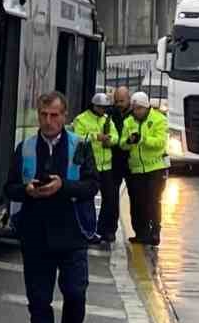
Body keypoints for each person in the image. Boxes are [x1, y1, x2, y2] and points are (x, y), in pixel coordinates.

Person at [4, 91, 99, 323]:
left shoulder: (80, 146)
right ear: (38, 116)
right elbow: (9, 188)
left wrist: (64, 186)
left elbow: (92, 186)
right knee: (39, 300)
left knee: (75, 293)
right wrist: (28, 191)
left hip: (72, 235)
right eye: (44, 115)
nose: (49, 121)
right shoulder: (26, 148)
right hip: (36, 235)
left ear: (64, 116)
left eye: (54, 115)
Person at [70, 92, 121, 246]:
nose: (103, 110)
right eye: (101, 107)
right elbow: (77, 137)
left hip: (106, 166)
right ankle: (87, 230)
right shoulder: (82, 119)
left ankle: (105, 230)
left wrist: (109, 140)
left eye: (105, 108)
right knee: (87, 200)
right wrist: (95, 137)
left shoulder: (107, 120)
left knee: (110, 199)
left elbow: (116, 137)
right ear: (94, 106)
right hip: (89, 167)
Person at [121, 91, 170, 245]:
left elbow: (160, 142)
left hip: (155, 168)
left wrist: (142, 139)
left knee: (153, 201)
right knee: (137, 202)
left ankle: (154, 232)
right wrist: (129, 141)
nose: (137, 112)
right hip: (136, 169)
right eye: (134, 109)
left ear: (146, 107)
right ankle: (140, 233)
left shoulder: (159, 119)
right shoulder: (129, 122)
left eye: (139, 109)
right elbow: (122, 144)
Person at [102, 87, 133, 242]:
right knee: (111, 197)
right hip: (114, 159)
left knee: (136, 197)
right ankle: (109, 230)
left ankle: (140, 231)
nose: (119, 104)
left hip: (131, 160)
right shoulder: (110, 113)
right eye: (116, 101)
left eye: (122, 101)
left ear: (129, 99)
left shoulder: (135, 114)